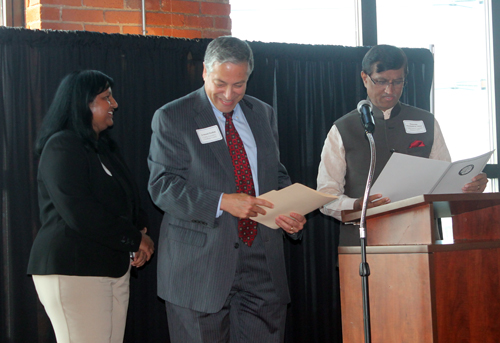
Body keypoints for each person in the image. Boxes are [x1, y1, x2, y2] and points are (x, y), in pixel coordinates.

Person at [148, 36, 306, 343]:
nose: (229, 94)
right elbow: (162, 186)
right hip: (200, 264)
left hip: (262, 259)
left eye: (239, 84)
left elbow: (275, 174)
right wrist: (222, 202)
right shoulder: (173, 116)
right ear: (205, 71)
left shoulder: (263, 113)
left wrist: (291, 211)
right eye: (221, 82)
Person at [27, 70, 155, 343]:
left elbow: (129, 199)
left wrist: (139, 233)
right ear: (82, 103)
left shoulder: (104, 149)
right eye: (106, 97)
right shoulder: (62, 145)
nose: (115, 104)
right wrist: (134, 239)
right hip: (73, 269)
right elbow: (80, 212)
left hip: (110, 268)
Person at [317, 44, 488, 246]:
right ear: (365, 78)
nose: (390, 90)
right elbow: (325, 197)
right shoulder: (342, 128)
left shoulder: (426, 121)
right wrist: (357, 204)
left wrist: (469, 186)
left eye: (398, 82)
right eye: (381, 81)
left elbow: (444, 182)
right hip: (364, 244)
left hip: (422, 239)